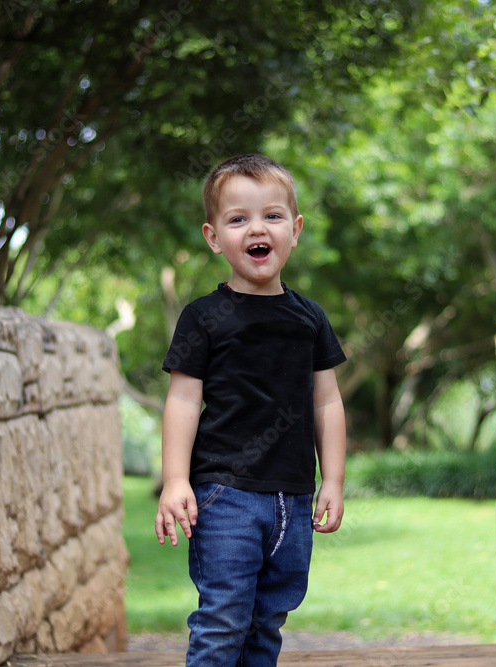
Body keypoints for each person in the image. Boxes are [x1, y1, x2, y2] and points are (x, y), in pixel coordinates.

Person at [156, 154, 348, 666]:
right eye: (238, 219)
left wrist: (333, 479)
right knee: (224, 620)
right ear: (214, 237)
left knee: (267, 622)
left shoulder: (309, 318)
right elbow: (182, 400)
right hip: (225, 496)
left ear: (295, 229)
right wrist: (175, 480)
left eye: (272, 216)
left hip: (292, 498)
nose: (256, 228)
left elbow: (326, 399)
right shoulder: (204, 317)